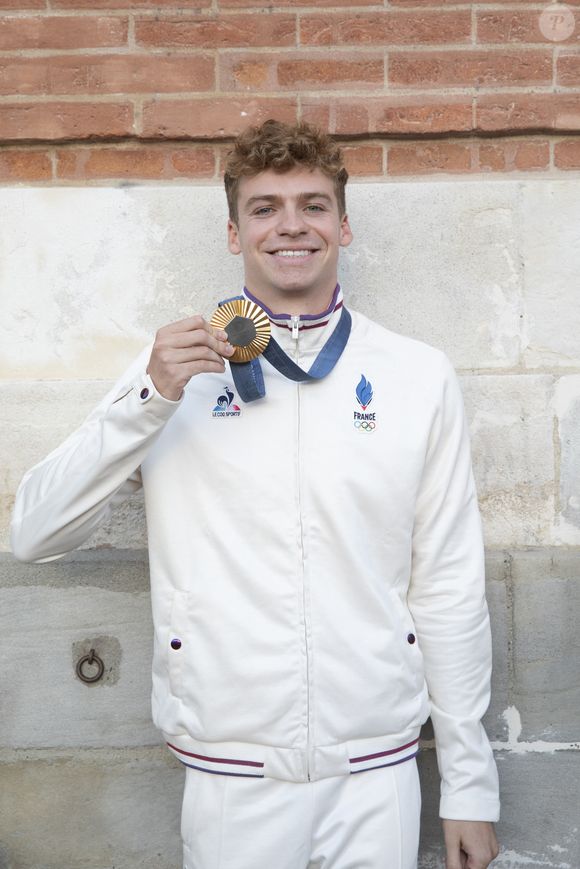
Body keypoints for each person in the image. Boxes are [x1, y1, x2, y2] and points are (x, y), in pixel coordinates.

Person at [11, 119, 500, 869]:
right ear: (235, 233)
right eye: (265, 207)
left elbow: (449, 585)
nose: (291, 225)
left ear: (344, 224)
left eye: (311, 204)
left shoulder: (416, 373)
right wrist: (148, 397)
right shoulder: (174, 370)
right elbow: (35, 531)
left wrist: (469, 784)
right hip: (230, 776)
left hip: (377, 775)